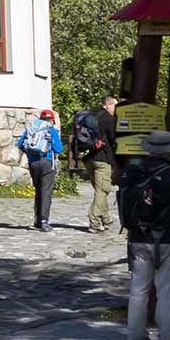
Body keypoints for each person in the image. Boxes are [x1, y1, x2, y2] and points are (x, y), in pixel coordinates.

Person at [119, 128, 170, 340]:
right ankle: (169, 338)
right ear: (169, 150)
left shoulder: (134, 172)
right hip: (168, 238)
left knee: (138, 288)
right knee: (166, 288)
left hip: (137, 237)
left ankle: (135, 336)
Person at [70, 95, 120, 237]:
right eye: (114, 106)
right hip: (102, 159)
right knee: (103, 190)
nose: (116, 109)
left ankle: (106, 218)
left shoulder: (92, 116)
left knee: (99, 189)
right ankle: (94, 222)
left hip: (87, 158)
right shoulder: (109, 119)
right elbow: (114, 139)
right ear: (108, 105)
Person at [15, 107, 64, 230]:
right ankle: (44, 221)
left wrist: (31, 154)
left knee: (38, 191)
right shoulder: (51, 130)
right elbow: (59, 149)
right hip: (47, 162)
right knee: (46, 192)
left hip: (33, 163)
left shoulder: (31, 129)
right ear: (52, 120)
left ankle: (37, 219)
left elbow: (20, 144)